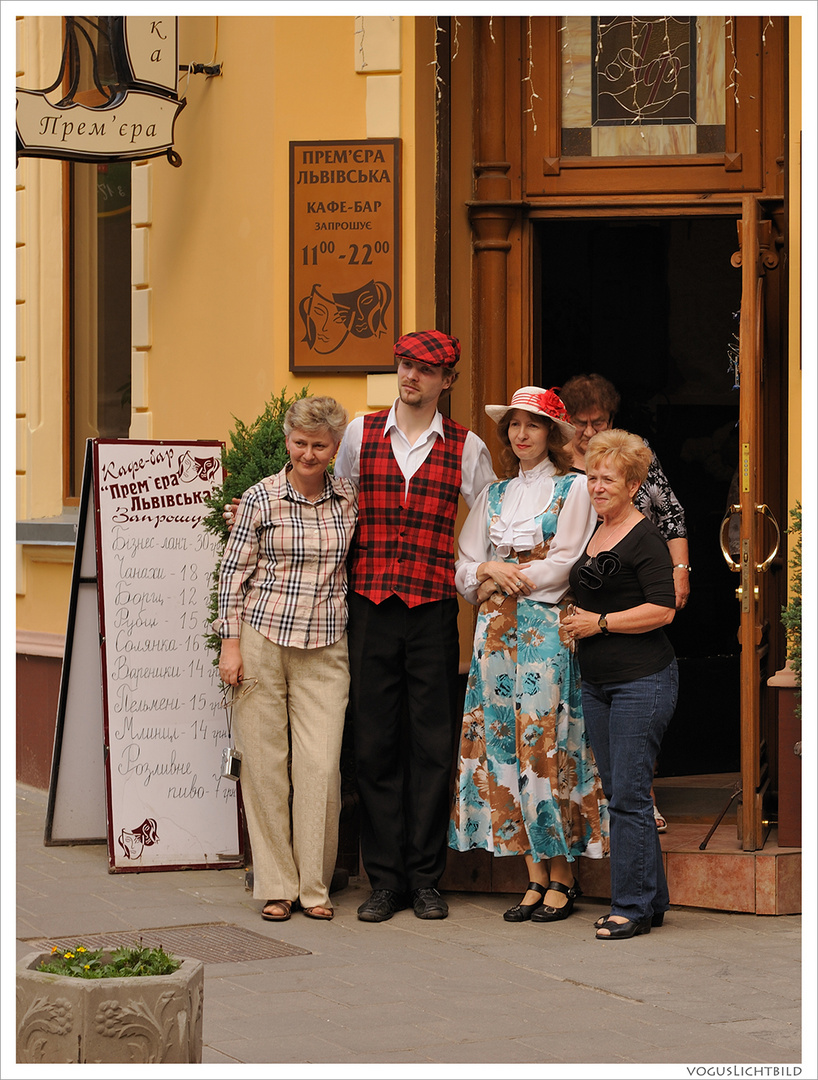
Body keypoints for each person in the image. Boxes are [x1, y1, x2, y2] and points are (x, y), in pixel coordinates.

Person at [334, 330, 496, 922]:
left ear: (447, 381)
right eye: (405, 366)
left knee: (431, 746)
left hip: (431, 611)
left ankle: (426, 878)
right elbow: (338, 508)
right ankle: (385, 880)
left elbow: (487, 529)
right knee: (374, 742)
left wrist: (468, 579)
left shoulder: (467, 446)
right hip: (370, 607)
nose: (412, 378)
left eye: (426, 371)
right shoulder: (358, 433)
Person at [449, 387, 609, 923]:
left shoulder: (573, 489)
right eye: (515, 425)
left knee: (544, 741)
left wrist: (505, 575)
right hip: (494, 629)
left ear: (552, 435)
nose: (521, 434)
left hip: (542, 626)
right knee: (503, 743)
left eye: (533, 426)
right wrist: (484, 573)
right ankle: (533, 877)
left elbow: (565, 561)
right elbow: (467, 563)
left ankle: (563, 874)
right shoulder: (494, 495)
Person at [214, 396, 358, 922]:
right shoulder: (260, 498)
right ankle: (277, 885)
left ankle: (315, 887)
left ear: (336, 448)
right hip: (262, 640)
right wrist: (230, 643)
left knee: (321, 769)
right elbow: (231, 573)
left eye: (320, 445)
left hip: (325, 644)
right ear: (287, 440)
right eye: (300, 443)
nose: (308, 453)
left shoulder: (349, 499)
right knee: (266, 768)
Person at [560, 372, 689, 832]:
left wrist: (678, 571)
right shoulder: (556, 465)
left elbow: (671, 513)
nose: (591, 430)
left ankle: (638, 812)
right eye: (582, 422)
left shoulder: (632, 460)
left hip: (636, 585)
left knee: (631, 755)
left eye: (600, 420)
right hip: (583, 607)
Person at [563, 430, 678, 940]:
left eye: (608, 479)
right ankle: (652, 900)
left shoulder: (646, 536)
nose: (597, 486)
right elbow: (588, 591)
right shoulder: (597, 531)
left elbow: (664, 607)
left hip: (642, 681)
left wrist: (600, 624)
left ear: (633, 484)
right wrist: (573, 618)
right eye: (591, 477)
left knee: (628, 798)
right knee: (620, 791)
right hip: (600, 682)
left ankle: (629, 907)